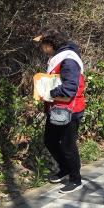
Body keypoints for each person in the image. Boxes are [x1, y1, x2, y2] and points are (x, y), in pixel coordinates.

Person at [34, 29, 86, 193]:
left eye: (43, 45)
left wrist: (49, 92)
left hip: (69, 109)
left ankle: (76, 179)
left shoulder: (68, 60)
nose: (41, 48)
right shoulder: (58, 56)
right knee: (50, 140)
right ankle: (65, 169)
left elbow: (70, 87)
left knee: (68, 145)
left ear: (50, 44)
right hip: (56, 108)